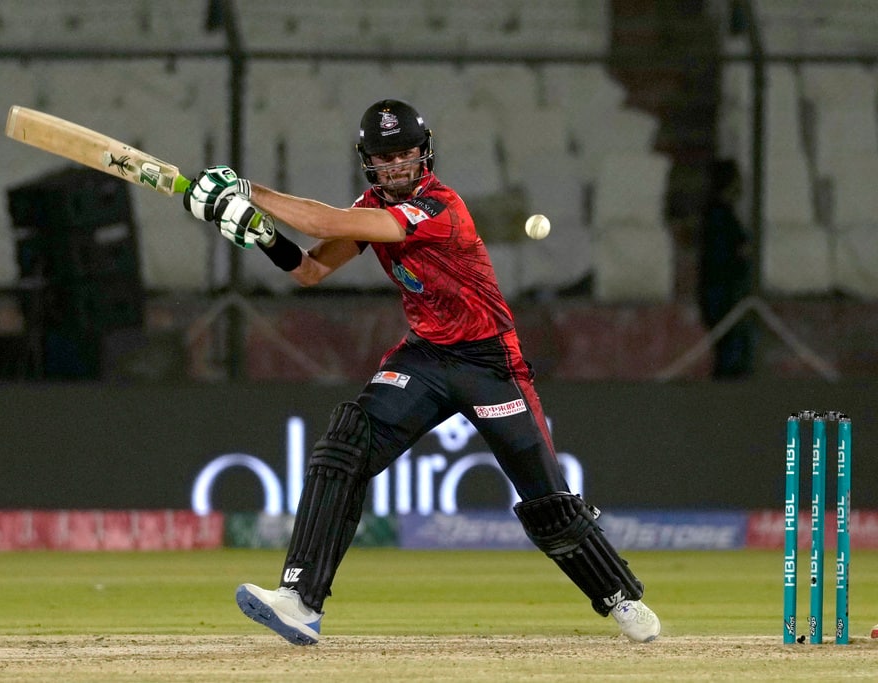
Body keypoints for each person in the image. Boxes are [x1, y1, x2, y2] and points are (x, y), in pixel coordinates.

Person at [182, 99, 660, 645]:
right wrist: (263, 236)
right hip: (425, 358)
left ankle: (619, 596)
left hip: (490, 363)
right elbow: (311, 268)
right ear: (369, 161)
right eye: (385, 158)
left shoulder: (440, 208)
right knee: (344, 447)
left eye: (405, 154)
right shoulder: (373, 206)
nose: (397, 168)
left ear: (424, 154)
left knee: (547, 500)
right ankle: (299, 601)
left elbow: (328, 221)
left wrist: (247, 191)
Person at [697, 158, 755, 379]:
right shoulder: (719, 216)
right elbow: (727, 255)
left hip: (721, 293)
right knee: (729, 356)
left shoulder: (720, 213)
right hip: (722, 295)